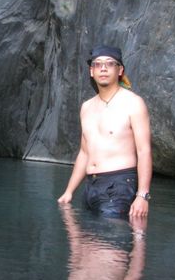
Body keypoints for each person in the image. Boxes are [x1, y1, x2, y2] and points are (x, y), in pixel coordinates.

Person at [57, 45, 152, 218]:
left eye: (109, 64)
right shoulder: (86, 107)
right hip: (91, 187)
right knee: (86, 236)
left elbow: (144, 150)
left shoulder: (133, 103)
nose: (103, 68)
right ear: (91, 71)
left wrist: (142, 195)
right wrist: (69, 191)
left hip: (120, 184)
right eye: (97, 64)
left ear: (120, 70)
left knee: (108, 232)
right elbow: (84, 153)